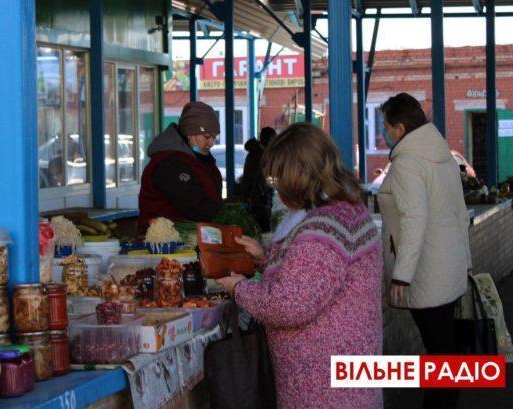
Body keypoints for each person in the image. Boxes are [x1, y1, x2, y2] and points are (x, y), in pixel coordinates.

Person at [217, 123, 383, 409]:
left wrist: (239, 288)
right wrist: (265, 256)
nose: (276, 186)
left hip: (322, 389)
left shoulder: (323, 229)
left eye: (278, 178)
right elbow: (318, 274)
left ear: (299, 176)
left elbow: (288, 304)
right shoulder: (346, 210)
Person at [377, 93, 470, 409]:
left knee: (441, 356)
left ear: (400, 128)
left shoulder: (407, 163)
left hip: (425, 275)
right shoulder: (442, 155)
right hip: (449, 268)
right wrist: (466, 263)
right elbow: (460, 212)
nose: (386, 133)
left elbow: (414, 220)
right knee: (446, 353)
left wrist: (401, 277)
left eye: (387, 127)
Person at [137, 101, 222, 233]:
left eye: (214, 137)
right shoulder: (170, 163)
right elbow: (196, 206)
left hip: (194, 241)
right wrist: (224, 216)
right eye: (207, 137)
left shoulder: (201, 159)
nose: (211, 143)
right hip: (164, 245)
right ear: (190, 133)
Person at [239, 127, 277, 231]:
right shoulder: (258, 154)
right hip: (258, 200)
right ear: (268, 140)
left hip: (258, 198)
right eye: (273, 140)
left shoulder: (259, 152)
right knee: (262, 228)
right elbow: (256, 178)